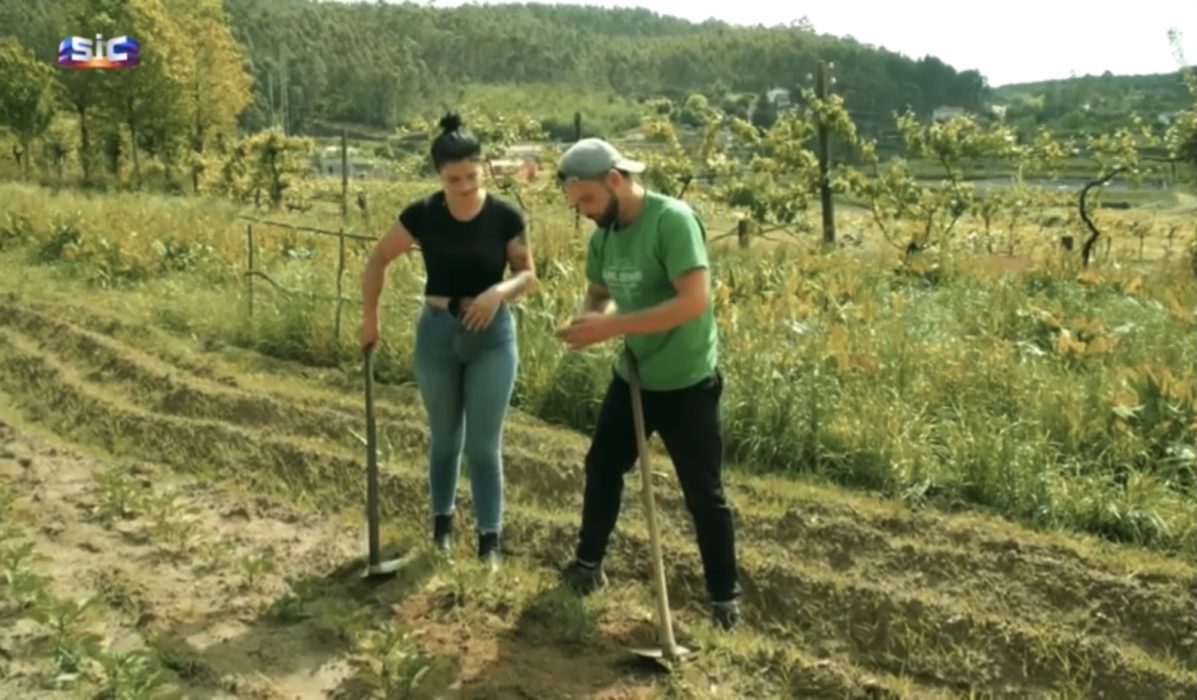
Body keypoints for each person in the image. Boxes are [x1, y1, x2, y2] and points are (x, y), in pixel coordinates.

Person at [553, 138, 741, 630]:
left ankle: (724, 602)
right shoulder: (604, 236)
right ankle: (588, 567)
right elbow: (599, 294)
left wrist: (613, 326)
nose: (586, 213)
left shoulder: (672, 221)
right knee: (602, 467)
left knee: (703, 494)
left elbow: (692, 302)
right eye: (577, 206)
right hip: (634, 376)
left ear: (614, 180)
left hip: (686, 381)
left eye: (589, 201)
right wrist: (588, 322)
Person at [361, 112, 535, 570]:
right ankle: (442, 529)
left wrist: (497, 293)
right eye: (452, 178)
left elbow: (526, 274)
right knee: (443, 438)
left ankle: (489, 542)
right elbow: (378, 259)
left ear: (485, 168)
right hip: (437, 333)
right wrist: (369, 318)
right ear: (438, 175)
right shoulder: (422, 214)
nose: (462, 186)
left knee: (483, 444)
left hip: (491, 338)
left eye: (471, 176)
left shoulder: (504, 216)